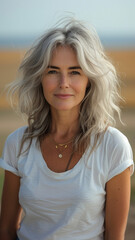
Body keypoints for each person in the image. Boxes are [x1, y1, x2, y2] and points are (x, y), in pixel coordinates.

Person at [0, 18, 134, 240]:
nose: (63, 82)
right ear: (39, 78)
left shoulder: (113, 146)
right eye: (53, 71)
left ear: (89, 80)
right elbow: (5, 230)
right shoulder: (18, 144)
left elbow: (114, 236)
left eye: (74, 72)